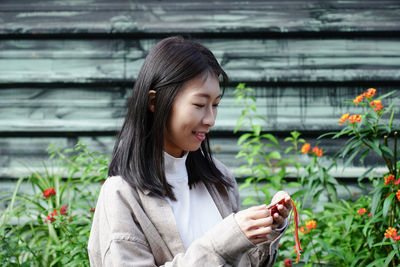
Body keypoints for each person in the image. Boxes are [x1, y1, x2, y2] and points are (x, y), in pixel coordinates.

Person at [88, 36, 292, 266]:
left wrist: (266, 231)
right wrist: (223, 243)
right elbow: (222, 249)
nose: (211, 119)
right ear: (154, 102)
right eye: (199, 105)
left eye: (215, 105)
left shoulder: (219, 178)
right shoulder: (121, 194)